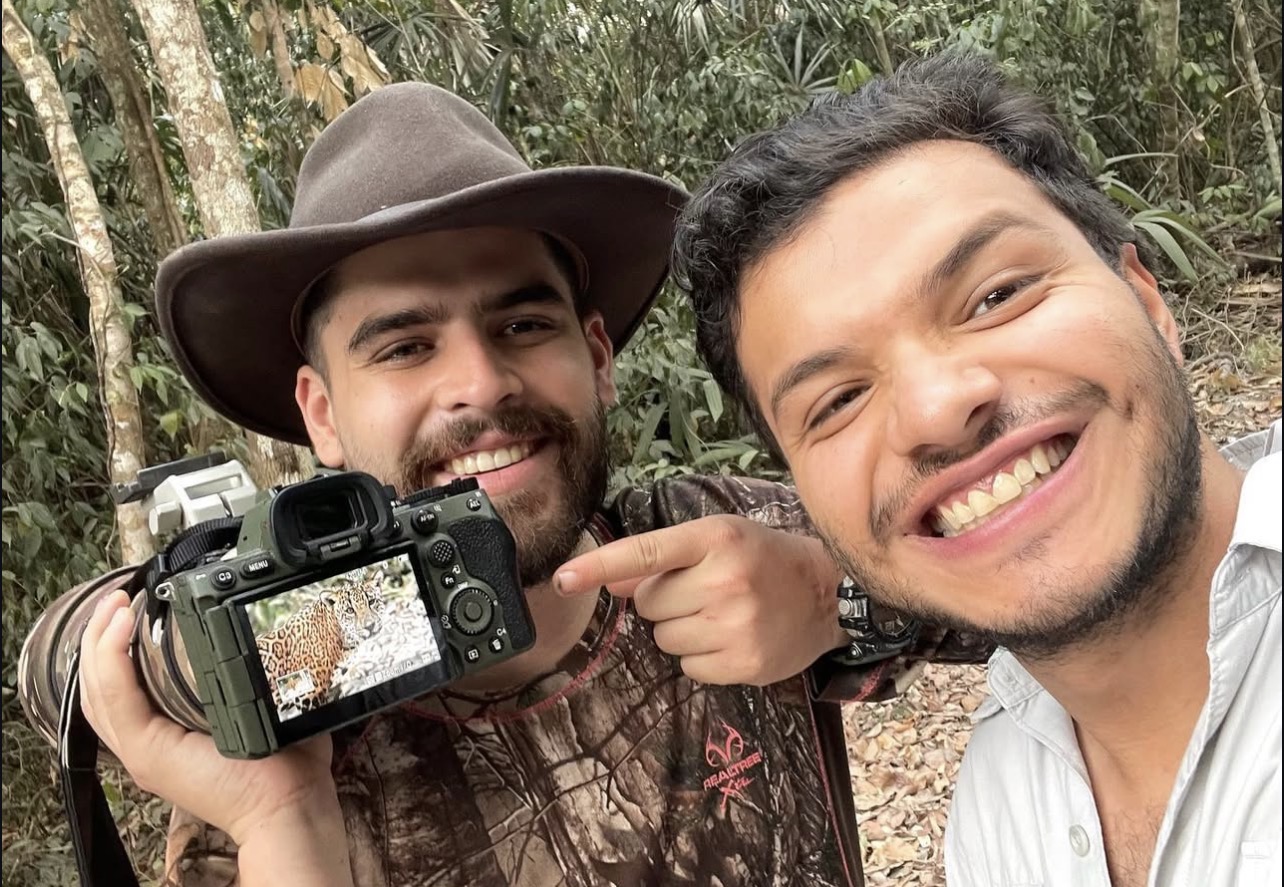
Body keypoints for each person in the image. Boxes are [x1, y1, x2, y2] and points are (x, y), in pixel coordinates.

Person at [76, 81, 985, 886]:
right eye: (405, 347)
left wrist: (839, 596)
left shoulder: (726, 536)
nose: (482, 382)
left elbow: (1050, 573)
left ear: (595, 356)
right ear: (322, 415)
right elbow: (82, 650)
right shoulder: (286, 711)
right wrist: (282, 820)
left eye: (521, 324)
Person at [674, 53, 1281, 887]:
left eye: (996, 296)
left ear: (1147, 300)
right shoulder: (1001, 797)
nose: (933, 409)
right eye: (838, 399)